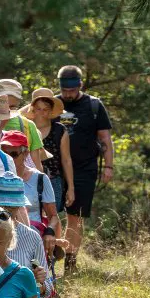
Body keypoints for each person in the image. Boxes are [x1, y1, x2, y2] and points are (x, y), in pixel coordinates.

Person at [56, 65, 115, 274]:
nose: (68, 95)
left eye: (72, 91)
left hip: (84, 168)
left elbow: (105, 137)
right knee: (51, 213)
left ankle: (71, 263)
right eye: (64, 91)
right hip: (55, 168)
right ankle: (50, 259)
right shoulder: (53, 104)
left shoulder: (93, 106)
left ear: (80, 85)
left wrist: (108, 166)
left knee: (75, 216)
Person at [0, 173, 53, 298]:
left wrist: (39, 283)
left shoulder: (31, 237)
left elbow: (45, 288)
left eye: (11, 207)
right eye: (1, 206)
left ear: (19, 206)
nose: (5, 212)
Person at [0, 131, 61, 253]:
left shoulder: (40, 179)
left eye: (14, 154)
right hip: (0, 236)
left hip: (32, 237)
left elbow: (53, 216)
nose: (8, 158)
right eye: (4, 154)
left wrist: (50, 232)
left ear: (26, 154)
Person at [22, 88, 75, 213]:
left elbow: (66, 159)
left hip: (53, 179)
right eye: (38, 108)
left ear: (51, 111)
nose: (41, 112)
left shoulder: (60, 130)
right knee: (31, 216)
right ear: (32, 108)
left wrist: (71, 188)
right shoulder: (25, 127)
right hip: (28, 178)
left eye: (45, 109)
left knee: (52, 216)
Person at [0, 78, 47, 172]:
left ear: (18, 103)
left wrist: (40, 184)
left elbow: (36, 165)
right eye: (3, 104)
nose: (7, 110)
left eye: (12, 107)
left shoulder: (28, 126)